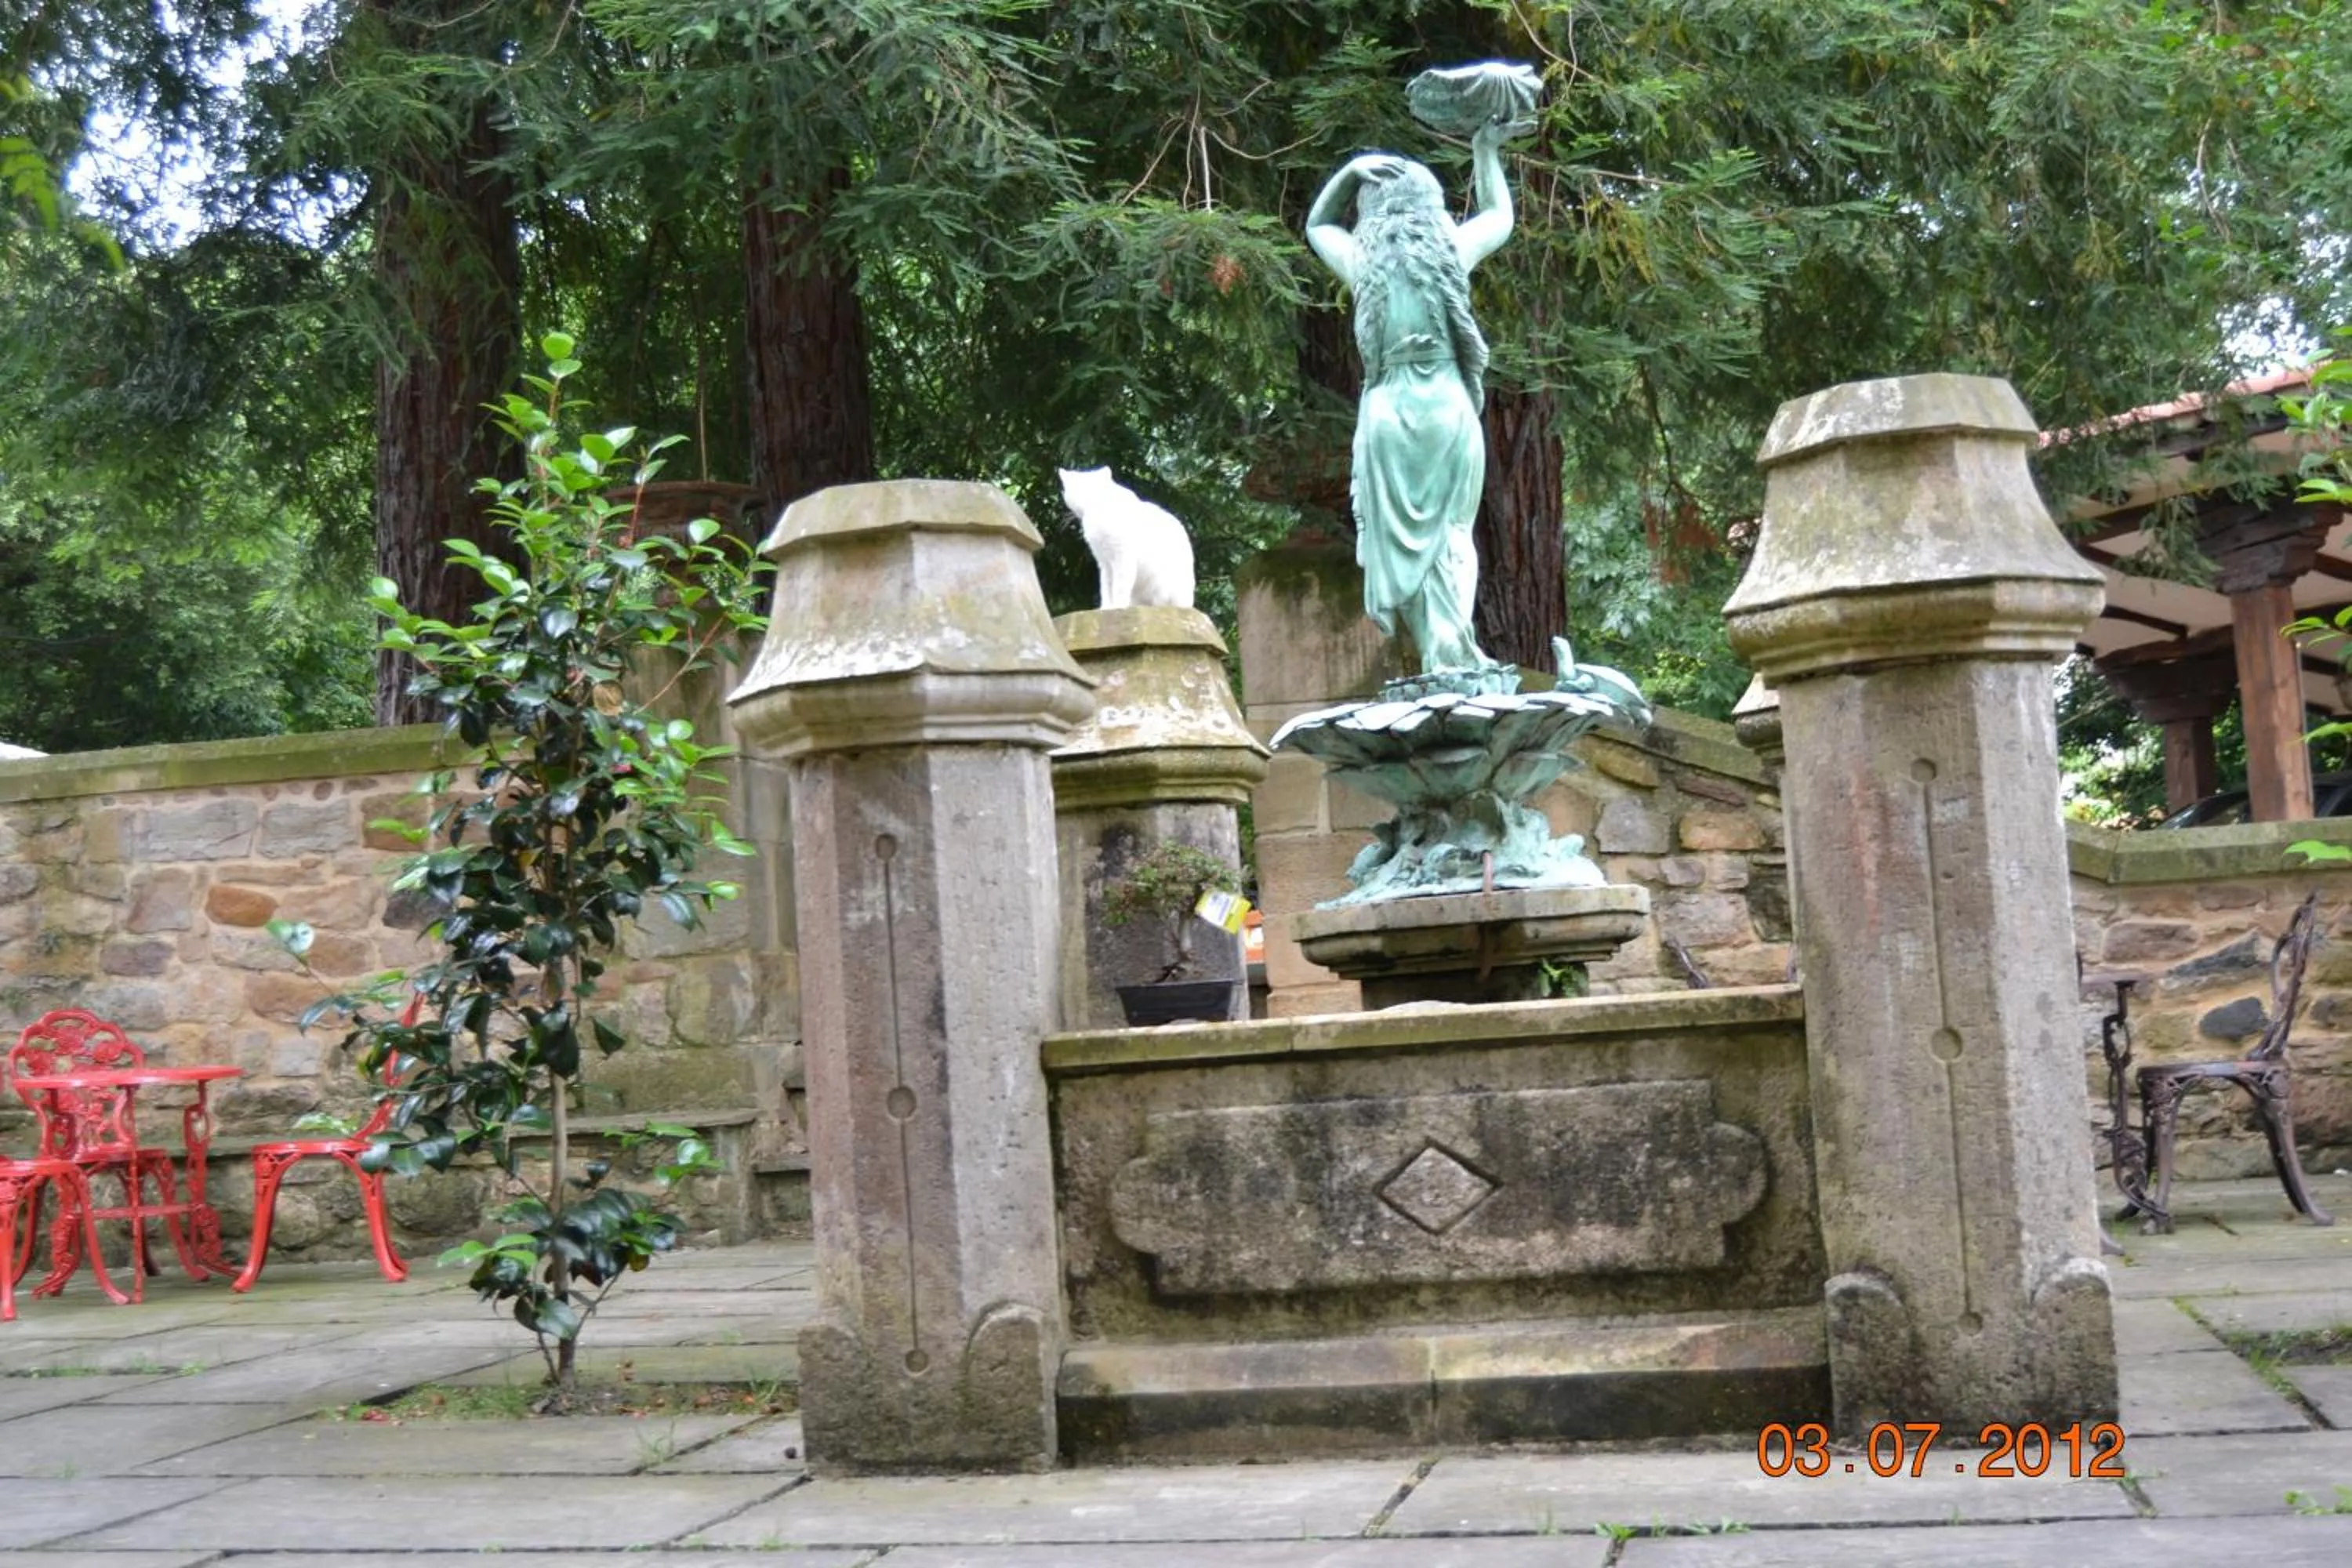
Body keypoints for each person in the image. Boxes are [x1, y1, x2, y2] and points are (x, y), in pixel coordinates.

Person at [1305, 119, 1514, 675]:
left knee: (1404, 549)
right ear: (1432, 206)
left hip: (1389, 411)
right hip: (1444, 402)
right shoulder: (1448, 250)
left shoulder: (1364, 263)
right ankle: (1453, 648)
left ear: (1372, 214)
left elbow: (1317, 224)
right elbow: (1499, 216)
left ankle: (1434, 658)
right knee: (1451, 534)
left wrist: (1348, 174)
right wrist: (1484, 149)